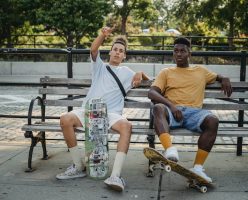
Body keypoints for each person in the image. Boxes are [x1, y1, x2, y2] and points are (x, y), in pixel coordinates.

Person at [56, 26, 150, 192]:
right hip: (88, 110)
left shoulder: (127, 72)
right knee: (65, 119)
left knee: (127, 126)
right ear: (110, 52)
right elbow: (93, 49)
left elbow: (150, 81)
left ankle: (115, 175)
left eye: (121, 51)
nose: (117, 53)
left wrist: (140, 73)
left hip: (111, 114)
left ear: (124, 55)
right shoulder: (99, 67)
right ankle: (78, 166)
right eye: (115, 49)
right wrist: (102, 35)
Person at [148, 37, 232, 183]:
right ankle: (170, 150)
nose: (179, 54)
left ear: (189, 54)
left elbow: (217, 77)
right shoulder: (166, 72)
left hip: (195, 113)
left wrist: (224, 77)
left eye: (182, 51)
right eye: (175, 51)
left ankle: (197, 168)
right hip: (172, 112)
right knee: (157, 108)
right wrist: (172, 106)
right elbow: (152, 93)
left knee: (213, 120)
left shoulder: (201, 71)